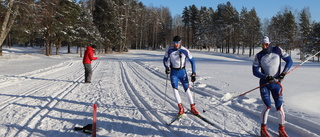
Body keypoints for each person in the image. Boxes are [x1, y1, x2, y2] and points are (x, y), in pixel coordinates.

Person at [252, 36, 293, 137]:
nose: (264, 46)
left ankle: (281, 129)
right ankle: (263, 130)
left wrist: (283, 73)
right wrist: (265, 76)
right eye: (262, 44)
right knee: (267, 106)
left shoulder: (278, 50)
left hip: (276, 84)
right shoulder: (259, 55)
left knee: (280, 107)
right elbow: (255, 71)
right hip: (265, 84)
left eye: (266, 44)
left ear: (270, 43)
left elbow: (289, 61)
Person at [163, 35, 199, 115]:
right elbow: (165, 59)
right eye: (174, 42)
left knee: (187, 89)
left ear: (180, 42)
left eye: (177, 43)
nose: (176, 44)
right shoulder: (169, 50)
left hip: (182, 72)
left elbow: (192, 61)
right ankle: (180, 107)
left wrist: (194, 73)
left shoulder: (185, 50)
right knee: (175, 89)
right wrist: (166, 67)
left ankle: (193, 107)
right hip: (173, 73)